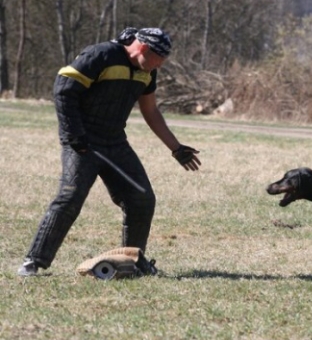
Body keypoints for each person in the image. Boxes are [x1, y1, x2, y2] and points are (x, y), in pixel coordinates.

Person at [17, 27, 201, 276]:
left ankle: (133, 261)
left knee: (141, 198)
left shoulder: (147, 71)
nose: (160, 66)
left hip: (114, 143)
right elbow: (63, 90)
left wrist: (176, 148)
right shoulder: (101, 55)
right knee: (70, 197)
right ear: (144, 48)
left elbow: (151, 111)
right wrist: (74, 134)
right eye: (159, 59)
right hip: (82, 141)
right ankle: (33, 262)